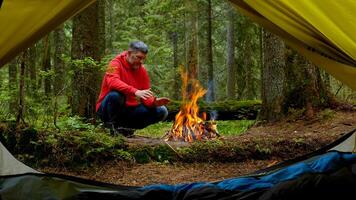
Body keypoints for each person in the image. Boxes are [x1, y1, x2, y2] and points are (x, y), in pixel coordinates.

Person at [96, 41, 170, 136]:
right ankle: (112, 129)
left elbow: (145, 94)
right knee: (116, 95)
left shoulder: (142, 70)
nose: (141, 61)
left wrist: (154, 103)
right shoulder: (114, 63)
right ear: (129, 53)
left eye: (143, 59)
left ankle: (126, 129)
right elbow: (112, 82)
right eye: (139, 57)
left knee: (162, 110)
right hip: (107, 110)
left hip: (128, 111)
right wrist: (135, 91)